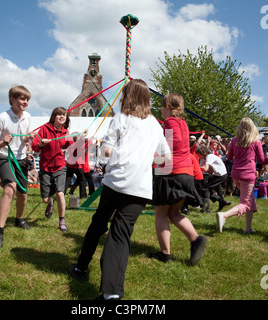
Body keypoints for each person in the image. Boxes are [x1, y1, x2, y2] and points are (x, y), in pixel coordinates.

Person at [67, 79, 171, 300]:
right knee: (120, 235)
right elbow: (166, 157)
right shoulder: (155, 124)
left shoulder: (120, 119)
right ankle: (112, 294)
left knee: (98, 223)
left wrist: (118, 154)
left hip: (117, 182)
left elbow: (106, 151)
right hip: (141, 187)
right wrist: (147, 160)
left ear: (127, 96)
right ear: (146, 98)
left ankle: (81, 268)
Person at [149, 93, 207, 265]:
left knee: (160, 213)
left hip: (170, 173)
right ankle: (195, 240)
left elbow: (166, 152)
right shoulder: (183, 123)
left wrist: (148, 162)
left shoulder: (169, 122)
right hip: (187, 173)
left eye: (162, 106)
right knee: (174, 213)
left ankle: (165, 254)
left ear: (167, 107)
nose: (160, 109)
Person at [0, 85, 36, 248]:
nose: (25, 102)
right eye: (22, 99)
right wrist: (3, 142)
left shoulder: (28, 117)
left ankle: (19, 219)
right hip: (4, 156)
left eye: (27, 99)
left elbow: (25, 139)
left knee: (23, 193)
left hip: (21, 159)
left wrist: (28, 139)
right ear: (12, 100)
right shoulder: (2, 117)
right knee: (10, 188)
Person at [32, 107, 86, 232]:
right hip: (46, 167)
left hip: (60, 166)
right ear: (54, 116)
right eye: (59, 115)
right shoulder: (44, 129)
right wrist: (41, 144)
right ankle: (50, 203)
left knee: (60, 193)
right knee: (45, 199)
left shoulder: (65, 132)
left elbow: (70, 145)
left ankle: (62, 222)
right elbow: (35, 147)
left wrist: (80, 136)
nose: (62, 117)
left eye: (64, 115)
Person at [216, 117, 267, 234]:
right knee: (245, 203)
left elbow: (229, 158)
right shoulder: (256, 141)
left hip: (235, 174)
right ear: (252, 127)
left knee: (250, 200)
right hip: (248, 175)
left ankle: (248, 228)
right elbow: (262, 160)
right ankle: (224, 215)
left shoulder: (234, 140)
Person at [196, 145, 230, 213]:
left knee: (206, 189)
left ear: (202, 153)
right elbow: (209, 170)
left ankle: (206, 209)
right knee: (206, 189)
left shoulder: (209, 157)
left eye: (198, 154)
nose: (198, 156)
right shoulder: (207, 157)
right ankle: (220, 202)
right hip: (218, 175)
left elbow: (205, 168)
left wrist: (195, 167)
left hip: (220, 175)